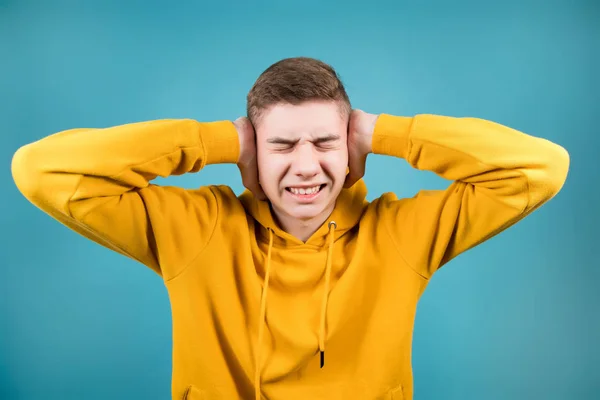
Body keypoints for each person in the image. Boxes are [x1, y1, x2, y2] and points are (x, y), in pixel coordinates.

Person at [11, 57, 570, 400]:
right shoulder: (199, 228)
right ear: (253, 151)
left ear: (349, 149)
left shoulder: (400, 234)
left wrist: (381, 131)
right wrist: (218, 142)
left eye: (325, 142)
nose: (305, 166)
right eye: (281, 145)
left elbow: (541, 168)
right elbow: (40, 170)